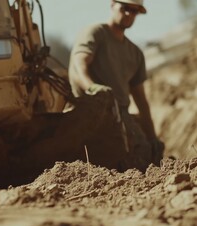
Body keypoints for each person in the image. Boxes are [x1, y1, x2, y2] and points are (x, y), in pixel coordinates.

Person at [68, 0, 164, 171]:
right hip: (89, 112)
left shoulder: (135, 53)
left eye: (134, 11)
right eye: (125, 8)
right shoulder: (96, 33)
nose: (129, 14)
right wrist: (92, 88)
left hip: (121, 115)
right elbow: (79, 65)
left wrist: (152, 137)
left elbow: (141, 99)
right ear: (113, 5)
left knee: (146, 154)